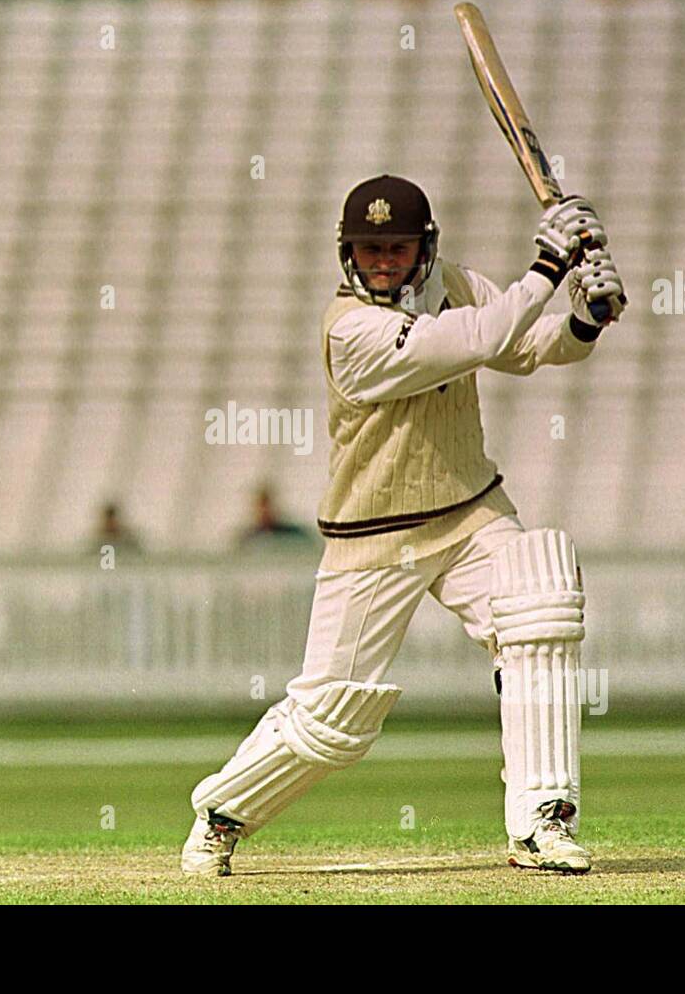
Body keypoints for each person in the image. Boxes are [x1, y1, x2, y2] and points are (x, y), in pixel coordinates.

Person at [181, 174, 626, 876]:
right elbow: (470, 338)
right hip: (375, 534)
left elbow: (530, 347)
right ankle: (221, 812)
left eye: (396, 246)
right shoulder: (350, 328)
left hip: (470, 510)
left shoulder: (452, 282)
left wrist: (584, 318)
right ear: (347, 254)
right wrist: (548, 265)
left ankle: (542, 820)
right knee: (334, 720)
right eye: (368, 248)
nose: (382, 260)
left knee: (539, 599)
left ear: (424, 247)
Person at [237, 483, 313, 547]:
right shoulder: (249, 539)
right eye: (261, 507)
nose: (265, 512)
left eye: (267, 506)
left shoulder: (290, 533)